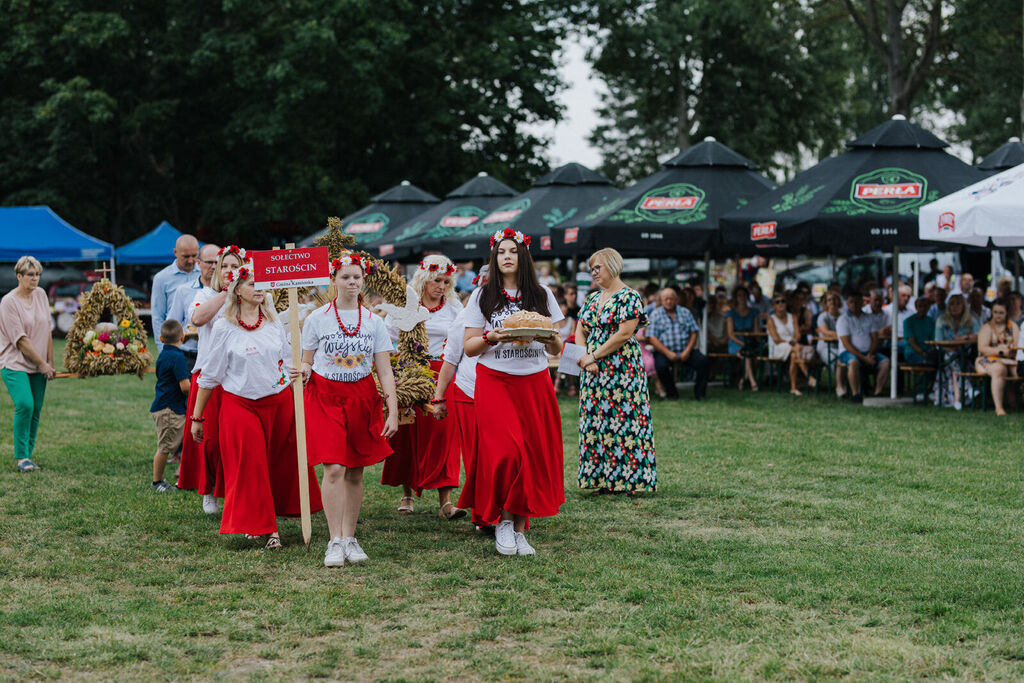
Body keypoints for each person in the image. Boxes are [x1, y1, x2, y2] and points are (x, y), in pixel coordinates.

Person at [190, 264, 323, 549]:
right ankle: (268, 530)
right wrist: (197, 416)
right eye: (252, 283)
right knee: (251, 465)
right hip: (240, 405)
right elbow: (210, 375)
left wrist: (299, 370)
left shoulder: (274, 323)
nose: (259, 288)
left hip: (278, 402)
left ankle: (264, 518)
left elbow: (288, 360)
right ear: (237, 290)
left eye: (262, 284)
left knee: (275, 464)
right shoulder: (225, 327)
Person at [461, 227, 565, 556]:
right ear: (495, 257)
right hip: (495, 380)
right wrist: (493, 337)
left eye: (513, 252)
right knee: (507, 452)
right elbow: (470, 347)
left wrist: (546, 336)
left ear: (523, 257)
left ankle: (520, 530)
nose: (508, 257)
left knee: (532, 454)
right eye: (502, 252)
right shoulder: (482, 295)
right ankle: (502, 523)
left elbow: (557, 345)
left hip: (534, 381)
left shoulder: (542, 294)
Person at [301, 252, 399, 566]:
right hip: (326, 395)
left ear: (363, 280)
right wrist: (303, 370)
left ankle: (350, 536)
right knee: (334, 468)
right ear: (333, 281)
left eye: (357, 276)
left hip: (362, 396)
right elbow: (306, 360)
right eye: (345, 277)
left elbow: (384, 371)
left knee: (355, 471)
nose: (352, 282)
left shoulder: (374, 322)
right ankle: (334, 541)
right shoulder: (317, 319)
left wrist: (393, 410)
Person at [381, 254, 466, 519]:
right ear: (424, 280)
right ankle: (408, 493)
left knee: (445, 435)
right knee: (409, 435)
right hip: (411, 373)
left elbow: (462, 341)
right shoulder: (407, 305)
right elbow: (388, 339)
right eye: (436, 280)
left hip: (443, 374)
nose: (441, 286)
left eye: (445, 281)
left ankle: (446, 502)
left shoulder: (455, 310)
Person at [574, 248, 655, 495]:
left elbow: (624, 333)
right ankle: (603, 479)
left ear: (612, 265)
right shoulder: (591, 299)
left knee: (625, 421)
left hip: (622, 369)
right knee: (596, 421)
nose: (594, 273)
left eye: (597, 267)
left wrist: (594, 355)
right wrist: (585, 359)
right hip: (593, 368)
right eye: (592, 269)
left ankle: (628, 480)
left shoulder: (629, 296)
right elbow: (580, 330)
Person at [177, 245, 244, 514]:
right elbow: (197, 318)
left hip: (240, 378)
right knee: (210, 440)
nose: (229, 271)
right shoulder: (203, 294)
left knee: (234, 440)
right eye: (224, 266)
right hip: (210, 378)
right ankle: (210, 491)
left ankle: (235, 492)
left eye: (234, 266)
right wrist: (226, 293)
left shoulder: (250, 294)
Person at [432, 266, 489, 529]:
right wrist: (439, 397)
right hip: (470, 391)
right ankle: (483, 515)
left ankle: (509, 510)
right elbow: (451, 358)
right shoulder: (466, 315)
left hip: (508, 391)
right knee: (477, 456)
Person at [0, 256, 55, 472]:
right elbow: (21, 340)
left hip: (40, 363)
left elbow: (47, 329)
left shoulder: (40, 294)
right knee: (25, 404)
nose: (35, 278)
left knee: (36, 410)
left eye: (38, 274)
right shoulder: (8, 302)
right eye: (30, 275)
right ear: (19, 276)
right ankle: (22, 457)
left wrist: (50, 361)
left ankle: (28, 456)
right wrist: (42, 364)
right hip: (14, 363)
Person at [646, 288, 709, 401]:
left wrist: (688, 350)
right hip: (664, 351)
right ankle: (672, 393)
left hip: (685, 350)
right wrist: (668, 353)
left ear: (676, 300)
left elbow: (694, 332)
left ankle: (700, 394)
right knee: (661, 366)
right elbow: (652, 338)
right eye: (666, 299)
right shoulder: (656, 314)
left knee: (703, 361)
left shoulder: (685, 312)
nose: (669, 302)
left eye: (671, 299)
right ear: (661, 300)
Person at [150, 320, 190, 492]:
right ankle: (157, 482)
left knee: (178, 443)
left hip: (164, 406)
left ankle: (185, 476)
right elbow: (184, 386)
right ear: (182, 337)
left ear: (160, 338)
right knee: (165, 447)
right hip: (170, 409)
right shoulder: (178, 357)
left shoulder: (164, 355)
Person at [838, 291, 890, 401]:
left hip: (868, 352)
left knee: (885, 362)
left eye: (857, 302)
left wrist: (870, 354)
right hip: (848, 353)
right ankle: (855, 394)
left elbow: (875, 339)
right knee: (853, 362)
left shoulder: (870, 318)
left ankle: (878, 392)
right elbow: (846, 344)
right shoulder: (842, 320)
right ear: (847, 303)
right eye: (852, 302)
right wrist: (864, 358)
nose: (855, 304)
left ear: (862, 303)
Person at [151, 234, 199, 353]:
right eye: (185, 256)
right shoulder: (161, 278)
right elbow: (158, 316)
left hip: (202, 345)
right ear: (175, 252)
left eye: (194, 255)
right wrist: (163, 349)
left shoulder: (205, 274)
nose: (191, 260)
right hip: (175, 346)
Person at [974, 298, 1019, 416]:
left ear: (1006, 313)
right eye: (995, 312)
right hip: (988, 360)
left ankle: (1015, 402)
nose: (998, 315)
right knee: (999, 370)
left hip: (1010, 360)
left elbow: (1017, 345)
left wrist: (1010, 350)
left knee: (1020, 371)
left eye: (1001, 313)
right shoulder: (986, 327)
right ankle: (999, 408)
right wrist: (999, 351)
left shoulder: (1013, 326)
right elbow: (982, 348)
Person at [933, 293, 978, 410]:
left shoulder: (971, 320)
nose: (955, 307)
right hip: (946, 353)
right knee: (953, 359)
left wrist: (965, 338)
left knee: (953, 365)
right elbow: (938, 342)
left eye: (958, 304)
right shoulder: (941, 320)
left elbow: (979, 336)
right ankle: (967, 389)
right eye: (952, 304)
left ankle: (957, 399)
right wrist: (952, 347)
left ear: (963, 306)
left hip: (966, 354)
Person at [767, 293, 814, 395]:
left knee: (794, 355)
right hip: (778, 347)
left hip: (793, 346)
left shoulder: (792, 317)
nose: (781, 304)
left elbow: (797, 335)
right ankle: (808, 376)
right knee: (796, 349)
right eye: (777, 302)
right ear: (773, 306)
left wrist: (794, 341)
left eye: (783, 301)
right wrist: (789, 342)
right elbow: (776, 339)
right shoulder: (771, 320)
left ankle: (793, 387)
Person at [901, 296, 939, 401]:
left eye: (925, 306)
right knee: (926, 363)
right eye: (920, 306)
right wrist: (922, 353)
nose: (922, 309)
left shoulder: (931, 321)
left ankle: (930, 390)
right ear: (916, 307)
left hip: (928, 352)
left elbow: (933, 340)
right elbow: (911, 341)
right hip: (913, 352)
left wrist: (929, 352)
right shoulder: (908, 322)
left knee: (937, 363)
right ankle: (920, 390)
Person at [725, 285, 760, 391]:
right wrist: (742, 343)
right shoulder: (730, 313)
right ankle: (753, 382)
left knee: (750, 352)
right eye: (739, 295)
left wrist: (757, 341)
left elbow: (756, 331)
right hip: (736, 341)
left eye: (744, 295)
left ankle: (744, 379)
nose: (742, 298)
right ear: (736, 298)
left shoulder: (754, 312)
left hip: (750, 339)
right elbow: (731, 334)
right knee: (746, 353)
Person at [815, 293, 846, 397]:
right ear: (825, 303)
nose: (832, 302)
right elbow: (826, 332)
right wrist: (842, 335)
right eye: (829, 300)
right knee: (838, 358)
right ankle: (840, 386)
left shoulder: (844, 316)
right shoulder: (823, 317)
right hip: (826, 346)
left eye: (834, 299)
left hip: (842, 345)